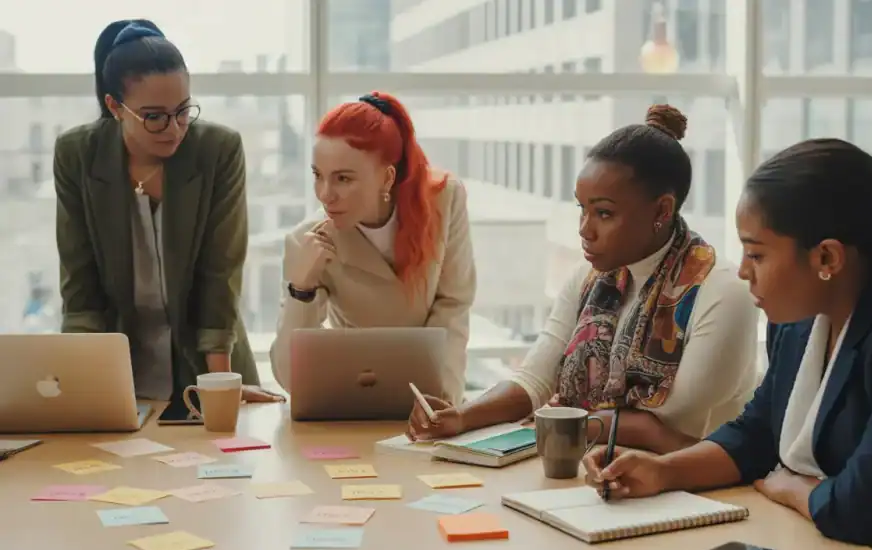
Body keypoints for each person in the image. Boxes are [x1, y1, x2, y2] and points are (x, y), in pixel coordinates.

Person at [583, 138, 872, 550]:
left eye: (756, 253)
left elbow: (864, 505)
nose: (742, 270)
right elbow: (756, 433)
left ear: (826, 256)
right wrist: (661, 472)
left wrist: (792, 487)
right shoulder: (802, 313)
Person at [406, 104, 758, 454]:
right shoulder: (589, 279)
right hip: (596, 475)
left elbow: (664, 420)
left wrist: (561, 422)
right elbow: (533, 382)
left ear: (662, 211)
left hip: (694, 491)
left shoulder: (723, 292)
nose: (585, 230)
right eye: (582, 209)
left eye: (604, 213)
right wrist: (462, 417)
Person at [54, 20, 282, 403]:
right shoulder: (78, 155)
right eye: (154, 116)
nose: (174, 129)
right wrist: (82, 386)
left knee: (217, 459)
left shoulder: (216, 150)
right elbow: (80, 284)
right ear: (115, 106)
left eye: (182, 111)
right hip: (116, 365)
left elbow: (220, 273)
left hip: (209, 364)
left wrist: (220, 388)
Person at [270, 92, 476, 404]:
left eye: (343, 179)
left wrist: (440, 403)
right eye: (318, 176)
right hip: (358, 398)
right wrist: (300, 289)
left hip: (433, 400)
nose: (325, 195)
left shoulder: (444, 199)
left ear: (386, 178)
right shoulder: (309, 241)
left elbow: (453, 305)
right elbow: (290, 379)